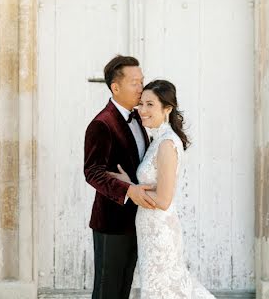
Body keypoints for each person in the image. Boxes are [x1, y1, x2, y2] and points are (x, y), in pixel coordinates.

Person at [109, 79, 214, 299]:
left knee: (165, 289)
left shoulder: (167, 143)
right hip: (149, 231)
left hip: (160, 233)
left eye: (150, 105)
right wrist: (130, 183)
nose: (142, 110)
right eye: (141, 104)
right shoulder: (157, 140)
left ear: (167, 109)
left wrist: (129, 188)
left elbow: (164, 200)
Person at [83, 55, 156, 299]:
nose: (141, 87)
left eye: (142, 81)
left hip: (136, 220)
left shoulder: (140, 117)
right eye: (135, 82)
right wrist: (128, 190)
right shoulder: (102, 123)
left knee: (123, 289)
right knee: (107, 291)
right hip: (111, 223)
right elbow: (92, 172)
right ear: (116, 87)